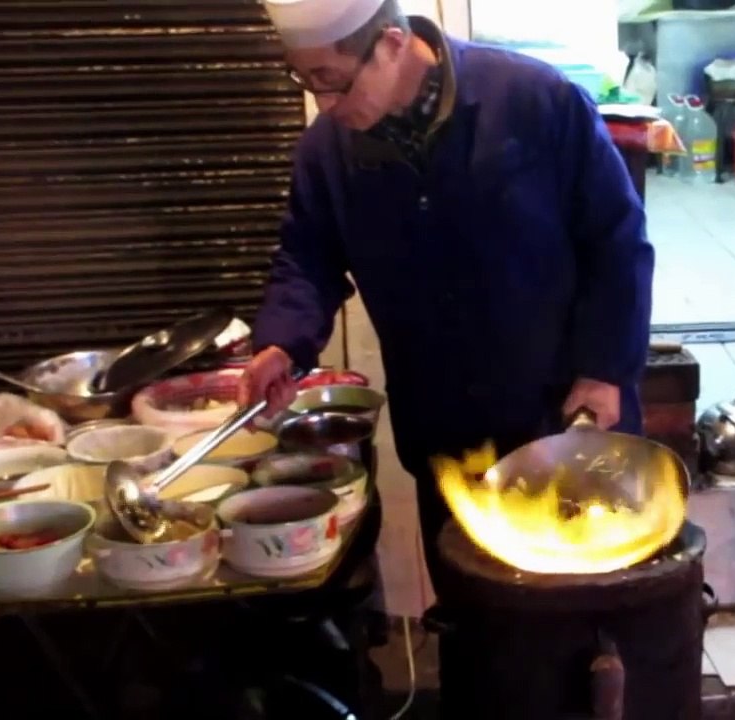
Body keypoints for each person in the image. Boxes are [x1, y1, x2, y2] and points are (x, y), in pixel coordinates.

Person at [238, 0, 653, 593]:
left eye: (332, 82)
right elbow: (307, 258)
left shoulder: (532, 98)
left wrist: (605, 368)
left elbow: (616, 240)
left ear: (390, 44)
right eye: (304, 81)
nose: (324, 105)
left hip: (564, 416)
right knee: (472, 615)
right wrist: (280, 343)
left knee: (578, 619)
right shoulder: (327, 151)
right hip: (448, 434)